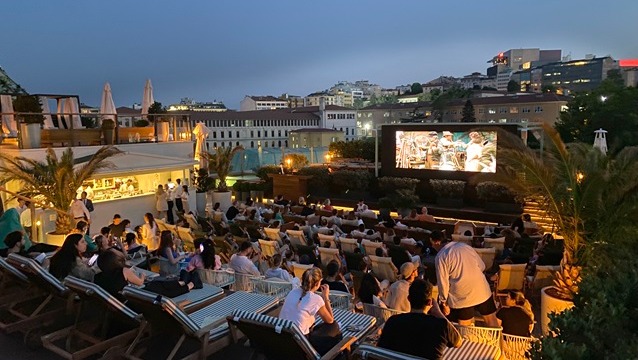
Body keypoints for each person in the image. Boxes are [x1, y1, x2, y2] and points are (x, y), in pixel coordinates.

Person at [378, 279, 462, 360]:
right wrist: (438, 313)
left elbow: (381, 350)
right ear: (430, 302)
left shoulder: (393, 322)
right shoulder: (441, 325)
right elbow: (458, 343)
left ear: (409, 299)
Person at [433, 236, 499, 327]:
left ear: (436, 243)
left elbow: (443, 282)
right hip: (481, 289)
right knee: (492, 322)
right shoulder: (465, 247)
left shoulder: (441, 256)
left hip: (462, 295)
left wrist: (444, 301)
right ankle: (498, 341)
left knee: (464, 327)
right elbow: (482, 266)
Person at [279, 268, 341, 356]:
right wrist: (326, 297)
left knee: (318, 325)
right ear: (317, 284)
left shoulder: (293, 292)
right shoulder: (316, 299)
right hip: (300, 342)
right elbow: (330, 320)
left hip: (284, 336)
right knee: (335, 326)